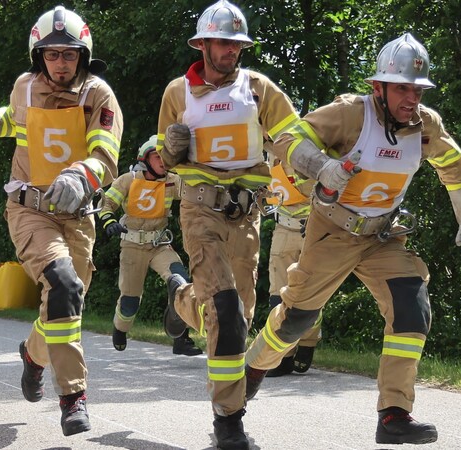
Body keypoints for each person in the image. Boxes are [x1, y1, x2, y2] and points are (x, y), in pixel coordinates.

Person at [244, 33, 461, 446]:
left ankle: (394, 414)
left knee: (412, 306)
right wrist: (323, 167)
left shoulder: (426, 126)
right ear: (379, 87)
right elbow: (288, 141)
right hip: (333, 230)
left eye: (418, 89)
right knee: (298, 318)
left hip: (384, 237)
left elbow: (453, 163)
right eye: (403, 88)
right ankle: (251, 370)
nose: (412, 98)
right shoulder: (349, 115)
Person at [0, 6, 122, 437]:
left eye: (69, 54)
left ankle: (32, 355)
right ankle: (73, 395)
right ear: (38, 55)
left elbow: (105, 154)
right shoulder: (24, 86)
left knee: (63, 304)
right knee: (63, 283)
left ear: (83, 55)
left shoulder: (99, 95)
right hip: (29, 208)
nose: (60, 62)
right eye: (52, 54)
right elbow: (9, 120)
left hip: (77, 215)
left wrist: (81, 176)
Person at [157, 1, 299, 447]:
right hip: (200, 211)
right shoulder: (177, 93)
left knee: (238, 317)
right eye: (222, 42)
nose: (230, 51)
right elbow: (161, 159)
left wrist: (322, 174)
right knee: (224, 312)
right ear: (202, 44)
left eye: (237, 44)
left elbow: (294, 139)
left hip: (248, 215)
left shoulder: (259, 90)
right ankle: (228, 421)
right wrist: (170, 153)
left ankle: (181, 300)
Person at [97, 135, 202, 356]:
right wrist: (110, 221)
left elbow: (198, 191)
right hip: (132, 246)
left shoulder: (173, 181)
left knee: (180, 282)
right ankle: (120, 328)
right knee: (130, 302)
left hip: (160, 245)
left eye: (166, 157)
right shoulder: (127, 180)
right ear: (145, 159)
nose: (163, 161)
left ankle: (180, 337)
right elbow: (107, 204)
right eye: (157, 156)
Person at [263, 159, 322, 377]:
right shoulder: (269, 157)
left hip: (313, 230)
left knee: (311, 292)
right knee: (277, 295)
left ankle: (308, 342)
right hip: (283, 228)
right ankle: (282, 356)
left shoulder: (310, 152)